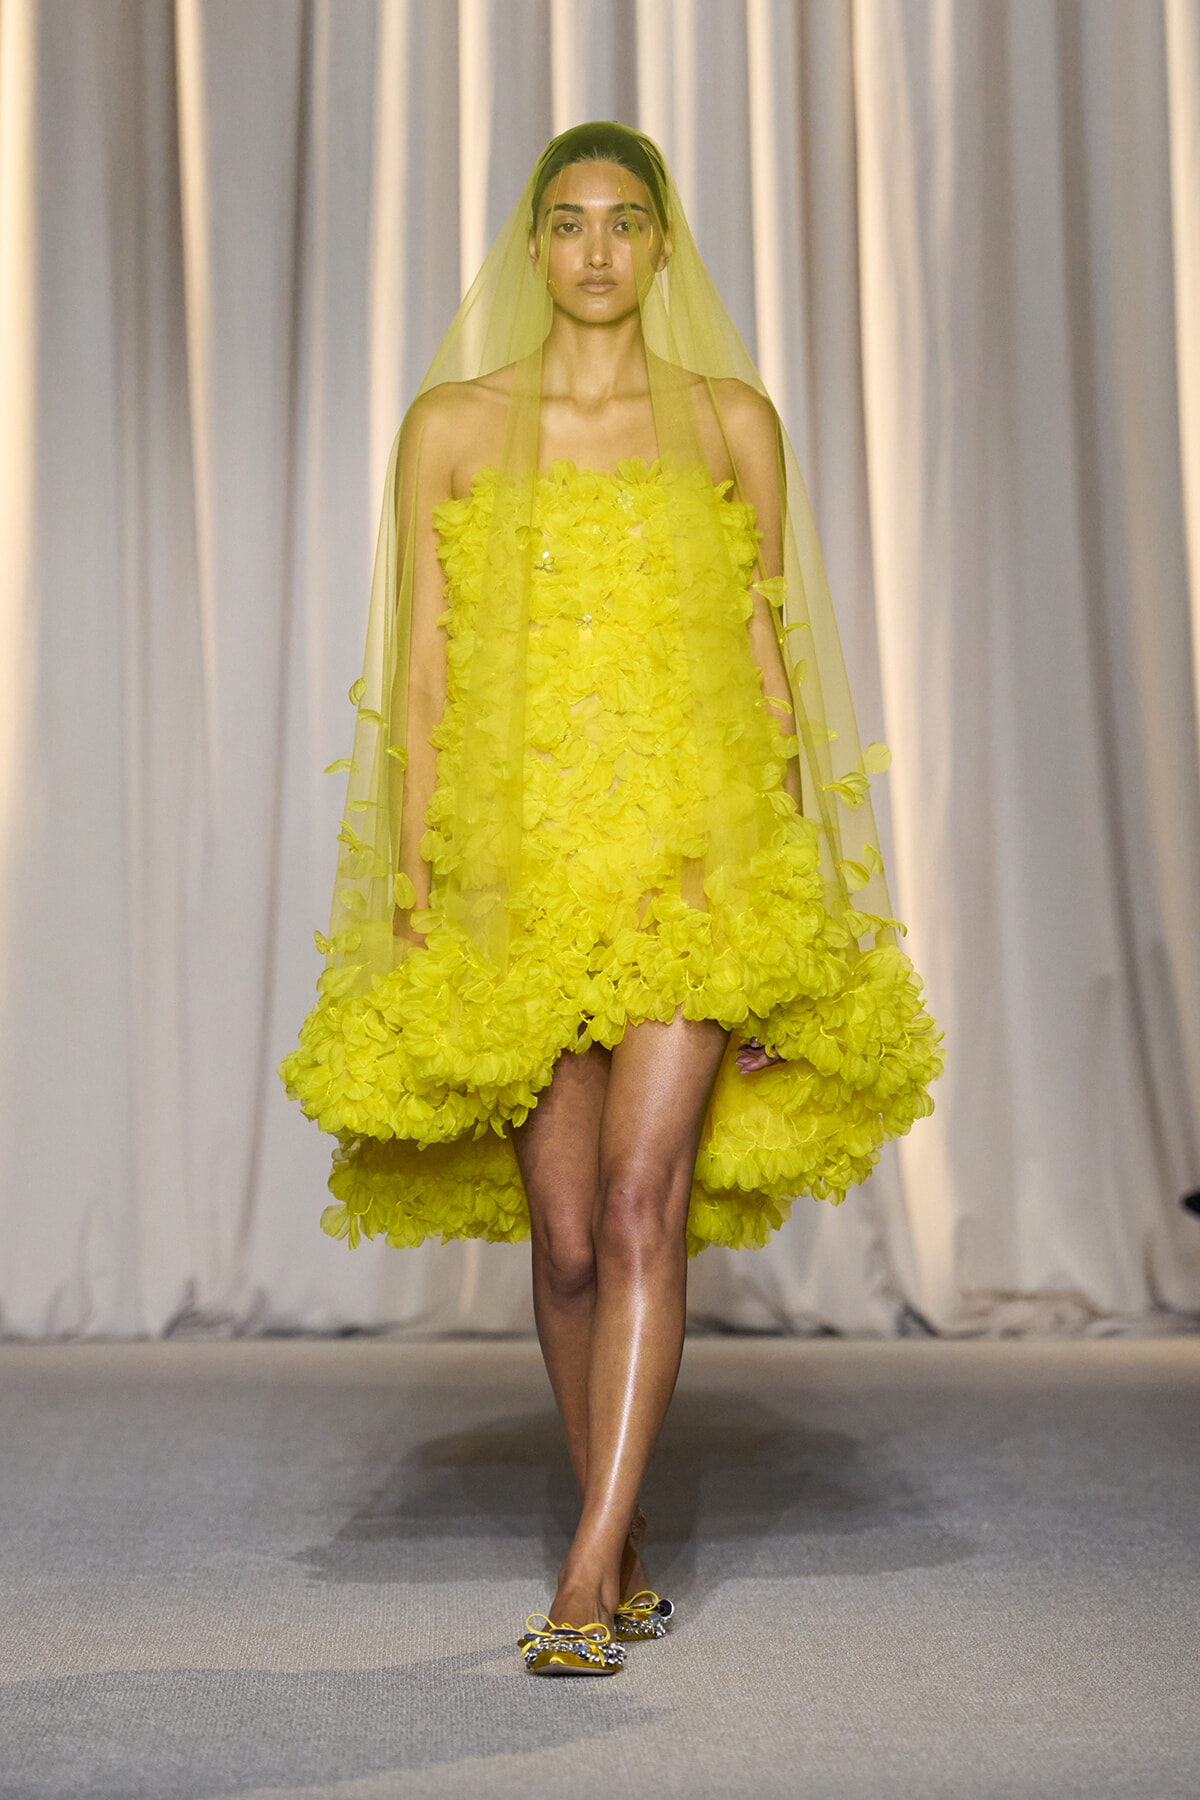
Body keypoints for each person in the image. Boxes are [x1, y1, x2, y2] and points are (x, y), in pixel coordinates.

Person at [279, 123, 943, 1676]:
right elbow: (423, 680)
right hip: (518, 881)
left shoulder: (728, 423)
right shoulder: (449, 425)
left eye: (624, 222)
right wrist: (420, 893)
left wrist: (796, 919)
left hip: (694, 876)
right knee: (568, 1238)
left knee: (647, 1209)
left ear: (664, 247)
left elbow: (774, 669)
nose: (595, 250)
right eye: (568, 222)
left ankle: (587, 1575)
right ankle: (623, 1518)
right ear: (532, 247)